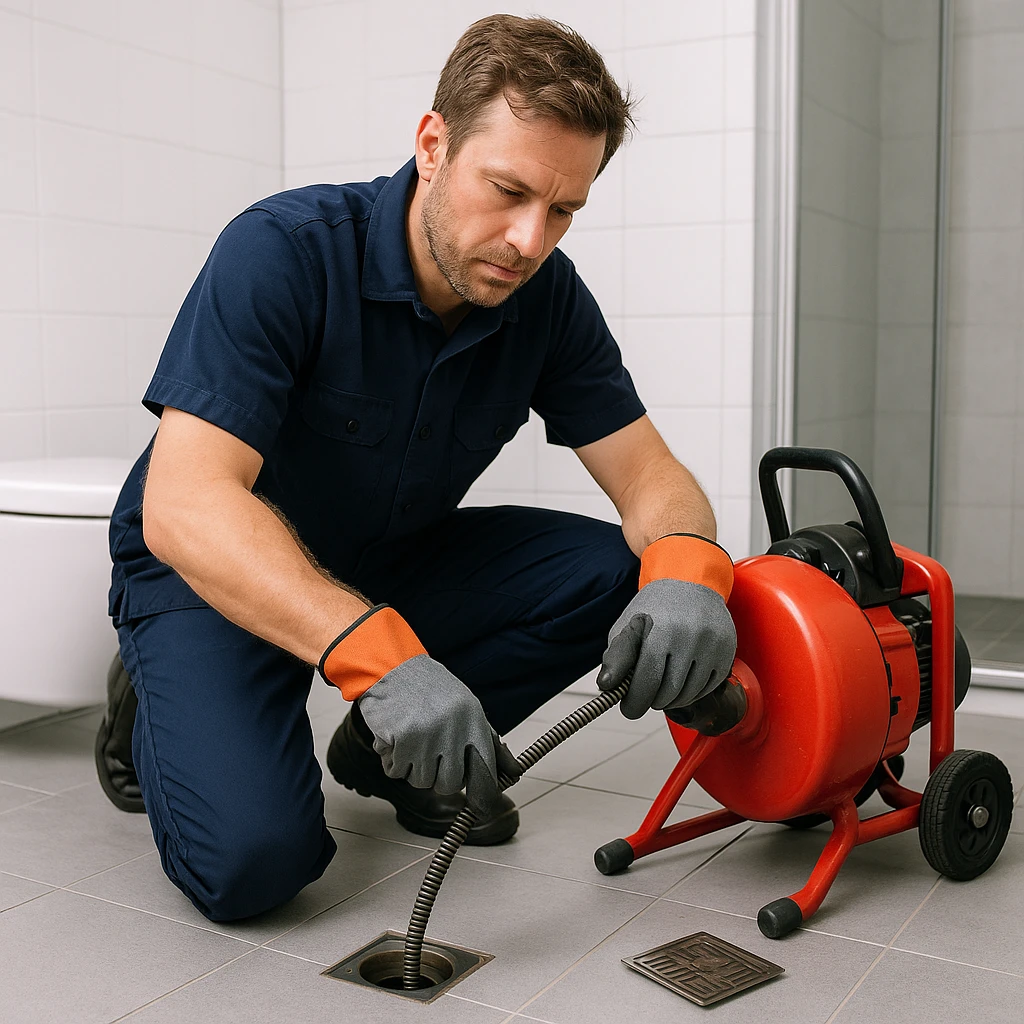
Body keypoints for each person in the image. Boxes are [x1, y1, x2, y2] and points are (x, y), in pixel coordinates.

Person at [94, 14, 737, 923]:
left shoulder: (545, 297)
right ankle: (149, 684)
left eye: (562, 210)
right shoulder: (283, 251)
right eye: (508, 190)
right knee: (254, 866)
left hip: (387, 555)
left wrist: (689, 571)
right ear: (433, 144)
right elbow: (188, 506)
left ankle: (380, 754)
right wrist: (382, 660)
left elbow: (650, 474)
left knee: (623, 571)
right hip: (210, 571)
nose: (528, 239)